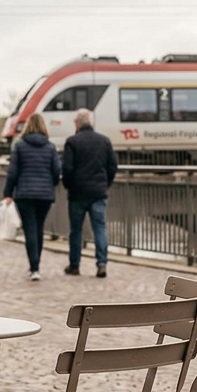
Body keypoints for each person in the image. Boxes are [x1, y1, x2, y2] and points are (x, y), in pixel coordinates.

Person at [1, 114, 60, 281]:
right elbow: (56, 171)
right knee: (39, 228)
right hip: (45, 195)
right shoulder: (50, 147)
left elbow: (13, 172)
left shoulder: (20, 146)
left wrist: (8, 193)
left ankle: (34, 267)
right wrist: (50, 184)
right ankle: (37, 265)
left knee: (30, 230)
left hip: (25, 194)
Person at [62, 108, 118, 278]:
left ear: (78, 123)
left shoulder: (72, 142)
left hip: (77, 193)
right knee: (99, 228)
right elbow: (112, 166)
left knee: (76, 230)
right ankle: (102, 264)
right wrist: (105, 184)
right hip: (98, 192)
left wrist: (69, 185)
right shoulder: (104, 141)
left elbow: (67, 169)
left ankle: (74, 265)